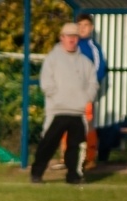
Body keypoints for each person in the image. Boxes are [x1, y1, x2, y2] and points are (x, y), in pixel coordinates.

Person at [30, 22, 99, 185]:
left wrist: (85, 99)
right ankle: (37, 173)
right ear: (62, 37)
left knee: (76, 146)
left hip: (78, 111)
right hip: (57, 110)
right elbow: (46, 82)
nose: (71, 40)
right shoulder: (52, 59)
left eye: (74, 36)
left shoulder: (85, 62)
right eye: (68, 36)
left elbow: (93, 83)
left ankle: (74, 176)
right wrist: (57, 97)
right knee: (48, 143)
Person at [55, 14, 108, 170]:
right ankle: (66, 157)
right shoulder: (70, 45)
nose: (82, 28)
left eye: (86, 25)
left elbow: (100, 69)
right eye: (80, 25)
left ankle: (90, 158)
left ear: (91, 28)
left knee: (87, 123)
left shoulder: (93, 47)